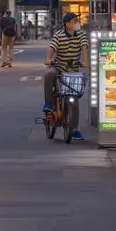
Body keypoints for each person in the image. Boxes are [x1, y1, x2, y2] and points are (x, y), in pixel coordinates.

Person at [43, 12, 88, 140]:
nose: (76, 24)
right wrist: (49, 60)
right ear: (67, 24)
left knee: (74, 99)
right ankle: (48, 104)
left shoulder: (81, 35)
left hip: (73, 71)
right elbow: (50, 53)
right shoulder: (58, 36)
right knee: (49, 74)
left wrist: (85, 62)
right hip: (59, 69)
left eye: (77, 21)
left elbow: (84, 49)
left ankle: (74, 129)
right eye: (74, 21)